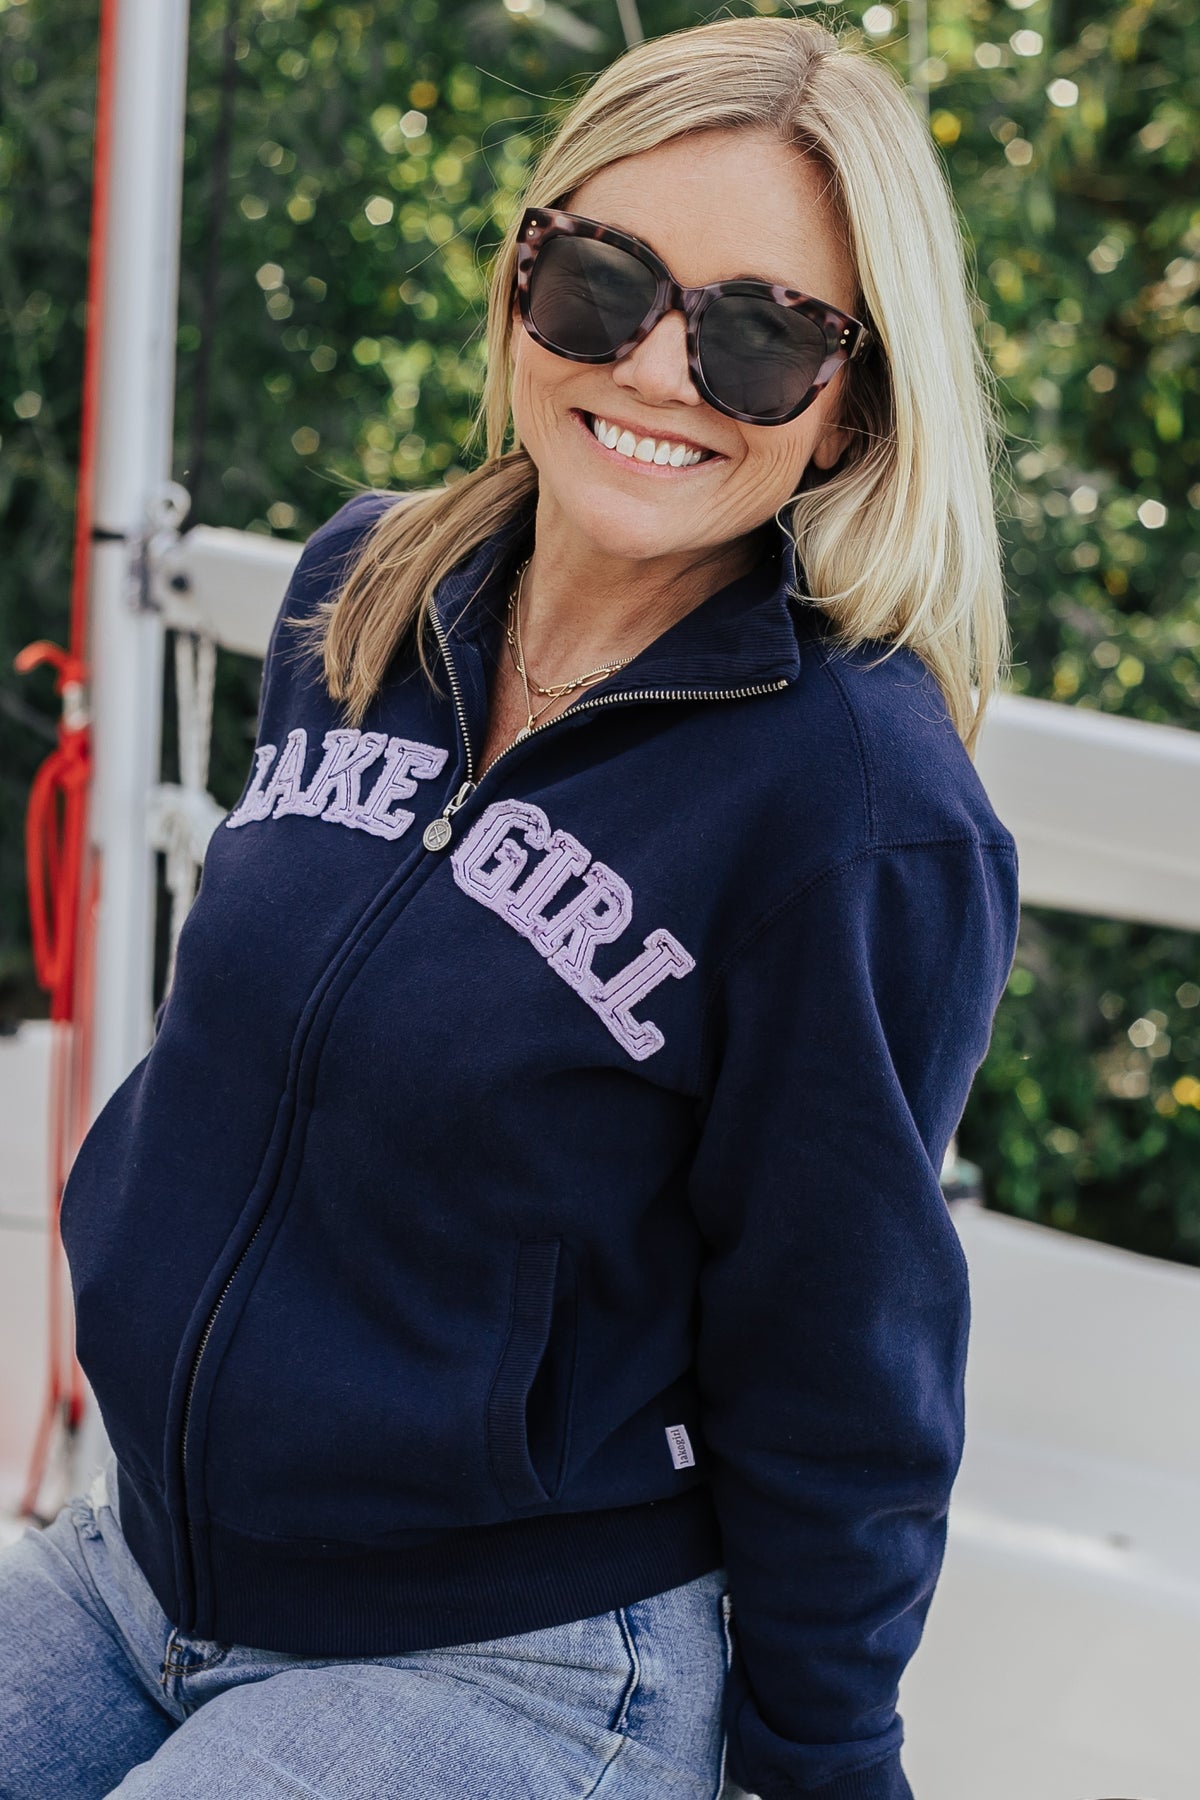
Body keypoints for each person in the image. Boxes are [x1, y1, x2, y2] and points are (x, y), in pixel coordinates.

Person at [0, 15, 1020, 1799]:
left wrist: (820, 1767)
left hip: (518, 1655)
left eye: (761, 334)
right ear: (522, 280)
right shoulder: (367, 587)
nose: (659, 368)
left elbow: (841, 1347)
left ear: (853, 400)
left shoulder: (860, 808)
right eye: (604, 283)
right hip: (141, 1562)